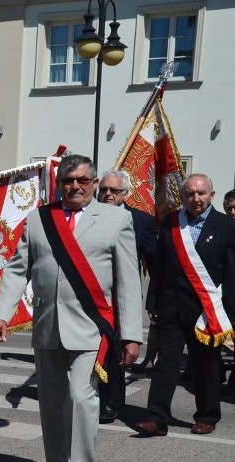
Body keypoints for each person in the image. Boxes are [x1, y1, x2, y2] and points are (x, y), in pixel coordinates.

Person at [0, 154, 142, 462]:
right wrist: (1, 311)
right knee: (53, 409)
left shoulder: (117, 219)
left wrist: (131, 335)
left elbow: (129, 281)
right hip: (48, 325)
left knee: (81, 402)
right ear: (59, 184)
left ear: (93, 183)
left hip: (90, 327)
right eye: (68, 181)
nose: (75, 186)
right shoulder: (40, 219)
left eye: (82, 180)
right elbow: (16, 269)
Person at [134, 174, 235, 437]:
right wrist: (153, 300)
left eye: (201, 193)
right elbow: (161, 267)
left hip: (206, 311)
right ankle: (156, 417)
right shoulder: (170, 222)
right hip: (171, 307)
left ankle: (206, 416)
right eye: (190, 194)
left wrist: (229, 313)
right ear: (183, 196)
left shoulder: (226, 226)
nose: (196, 198)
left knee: (207, 366)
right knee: (166, 362)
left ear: (212, 195)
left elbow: (232, 274)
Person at [96, 169, 158, 422]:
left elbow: (155, 263)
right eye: (104, 189)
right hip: (90, 295)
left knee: (114, 351)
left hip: (120, 299)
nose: (108, 194)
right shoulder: (88, 215)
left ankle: (111, 402)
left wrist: (154, 300)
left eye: (115, 190)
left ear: (126, 194)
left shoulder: (141, 221)